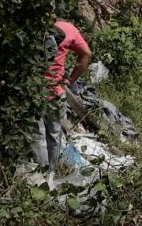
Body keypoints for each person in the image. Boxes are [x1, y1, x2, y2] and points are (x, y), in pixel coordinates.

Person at [40, 18, 91, 173]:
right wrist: (70, 79)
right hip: (55, 91)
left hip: (31, 90)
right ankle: (51, 174)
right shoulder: (68, 28)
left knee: (36, 137)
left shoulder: (32, 24)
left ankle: (37, 175)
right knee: (53, 136)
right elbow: (86, 53)